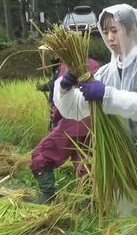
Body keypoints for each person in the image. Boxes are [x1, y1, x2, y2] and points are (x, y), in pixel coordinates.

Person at [53, 4, 137, 206]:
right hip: (119, 157)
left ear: (132, 29)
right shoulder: (105, 72)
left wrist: (107, 96)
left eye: (115, 31)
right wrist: (64, 88)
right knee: (128, 213)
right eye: (105, 32)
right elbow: (75, 109)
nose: (110, 38)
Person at [30, 55, 100, 204]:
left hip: (72, 122)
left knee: (41, 154)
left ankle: (47, 196)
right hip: (94, 122)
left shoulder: (69, 65)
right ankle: (91, 200)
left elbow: (65, 100)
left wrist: (55, 121)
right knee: (83, 159)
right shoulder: (95, 64)